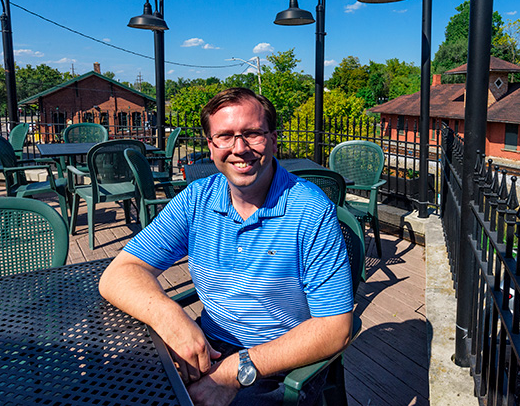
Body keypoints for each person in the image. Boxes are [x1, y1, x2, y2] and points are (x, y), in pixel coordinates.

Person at [99, 88, 353, 406]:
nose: (239, 148)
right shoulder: (197, 199)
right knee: (107, 384)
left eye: (252, 134)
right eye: (225, 136)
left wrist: (232, 372)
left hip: (280, 365)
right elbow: (119, 273)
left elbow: (335, 328)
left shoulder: (310, 211)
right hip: (208, 347)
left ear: (274, 140)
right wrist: (170, 317)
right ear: (210, 145)